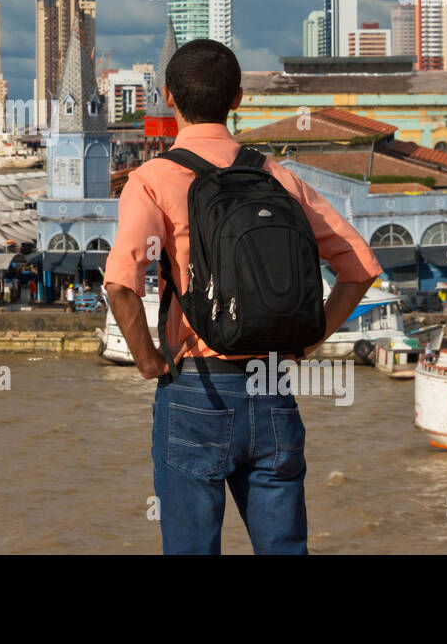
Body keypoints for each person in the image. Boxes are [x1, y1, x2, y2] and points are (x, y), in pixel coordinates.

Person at [104, 38, 381, 556]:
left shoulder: (153, 180)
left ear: (168, 97)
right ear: (238, 99)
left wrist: (147, 360)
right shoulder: (277, 176)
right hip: (272, 387)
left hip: (196, 391)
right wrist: (312, 335)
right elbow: (359, 267)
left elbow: (122, 283)